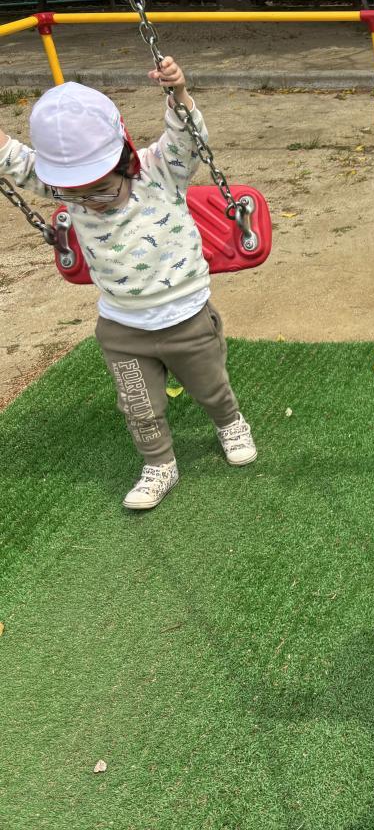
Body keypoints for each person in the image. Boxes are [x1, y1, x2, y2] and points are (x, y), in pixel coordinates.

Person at [0, 60, 256, 510]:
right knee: (138, 405)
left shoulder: (159, 171)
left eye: (101, 190)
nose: (90, 203)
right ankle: (159, 464)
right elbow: (16, 160)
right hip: (122, 325)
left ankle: (229, 422)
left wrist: (178, 92)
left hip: (185, 316)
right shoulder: (67, 186)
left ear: (124, 160)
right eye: (76, 195)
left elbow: (187, 138)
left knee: (210, 387)